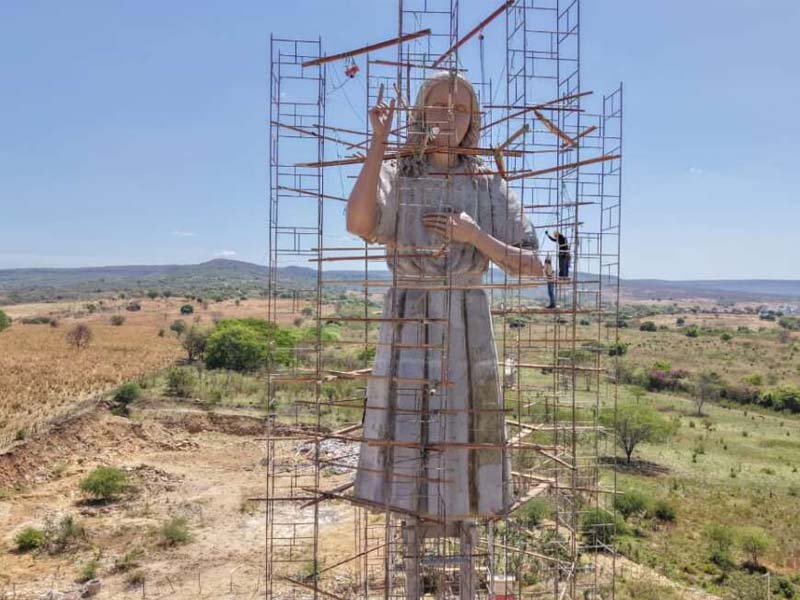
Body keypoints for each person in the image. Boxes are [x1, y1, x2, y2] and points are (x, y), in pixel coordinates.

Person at [345, 70, 542, 599]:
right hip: (409, 314)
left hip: (466, 319)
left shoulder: (488, 186)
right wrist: (379, 145)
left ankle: (467, 541)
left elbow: (534, 264)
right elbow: (360, 224)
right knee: (407, 434)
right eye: (438, 105)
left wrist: (474, 235)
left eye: (460, 108)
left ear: (472, 120)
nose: (448, 117)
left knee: (464, 433)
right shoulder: (399, 175)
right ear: (420, 113)